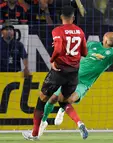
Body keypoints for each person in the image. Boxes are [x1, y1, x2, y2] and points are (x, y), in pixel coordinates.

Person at [38, 30, 113, 139]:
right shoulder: (92, 45)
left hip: (84, 83)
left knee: (69, 99)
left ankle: (62, 110)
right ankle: (43, 123)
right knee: (52, 98)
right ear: (106, 38)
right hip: (72, 77)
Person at [22, 5, 87, 141]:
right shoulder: (80, 31)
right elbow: (84, 53)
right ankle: (80, 123)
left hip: (59, 71)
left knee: (41, 100)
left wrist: (52, 60)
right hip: (74, 73)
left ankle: (34, 134)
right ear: (73, 17)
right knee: (63, 102)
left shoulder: (57, 30)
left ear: (61, 17)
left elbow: (57, 50)